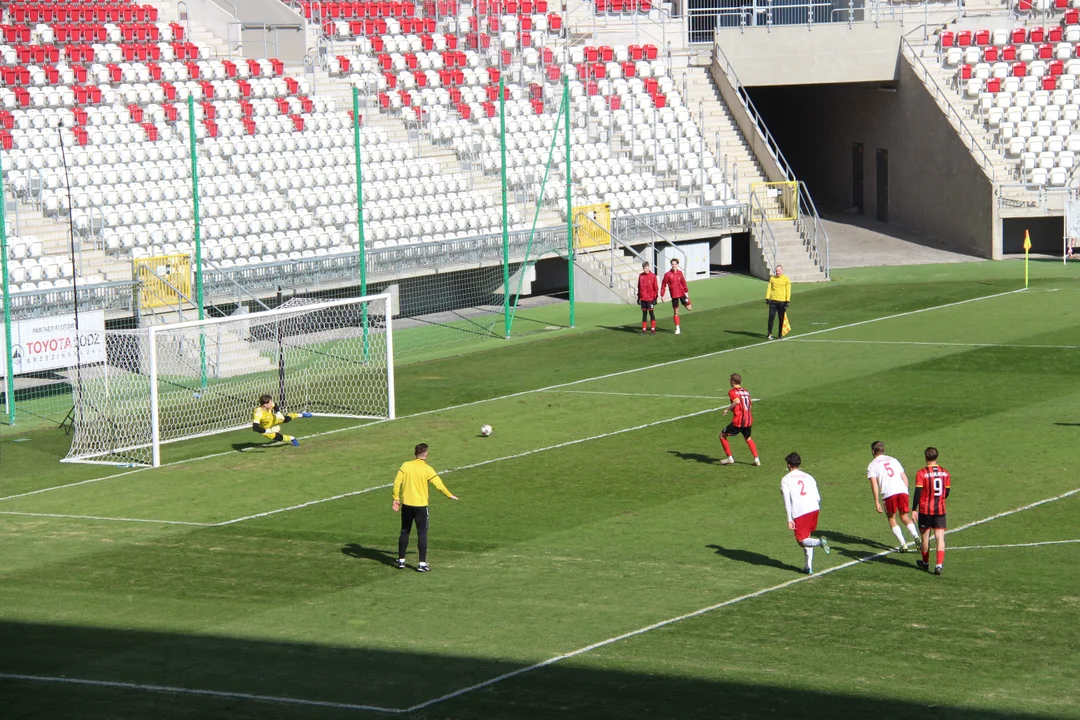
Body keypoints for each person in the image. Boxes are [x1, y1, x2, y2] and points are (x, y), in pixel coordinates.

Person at [392, 443, 458, 572]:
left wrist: (396, 498)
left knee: (405, 531)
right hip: (420, 506)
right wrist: (449, 495)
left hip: (406, 505)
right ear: (426, 454)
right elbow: (438, 485)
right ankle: (422, 564)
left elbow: (396, 483)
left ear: (415, 453)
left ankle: (401, 560)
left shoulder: (405, 465)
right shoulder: (428, 469)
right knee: (422, 533)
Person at [780, 452, 830, 574]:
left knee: (801, 540)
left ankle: (820, 542)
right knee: (807, 536)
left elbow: (787, 500)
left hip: (800, 510)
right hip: (814, 508)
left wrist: (789, 518)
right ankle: (808, 567)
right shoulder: (809, 477)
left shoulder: (786, 479)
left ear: (789, 465)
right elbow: (818, 496)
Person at [866, 441, 921, 552]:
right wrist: (905, 492)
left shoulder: (872, 465)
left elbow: (874, 484)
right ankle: (916, 536)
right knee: (905, 516)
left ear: (873, 451)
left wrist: (876, 501)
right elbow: (904, 477)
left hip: (888, 493)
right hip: (902, 490)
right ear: (883, 450)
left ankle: (903, 544)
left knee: (891, 518)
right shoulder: (893, 460)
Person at [914, 447, 951, 575]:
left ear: (925, 457)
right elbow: (947, 492)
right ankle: (939, 565)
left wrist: (914, 509)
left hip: (925, 509)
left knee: (925, 537)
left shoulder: (921, 473)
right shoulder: (945, 472)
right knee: (940, 538)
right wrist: (939, 500)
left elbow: (918, 493)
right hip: (940, 509)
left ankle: (925, 562)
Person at [719, 373, 759, 466]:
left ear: (733, 381)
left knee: (722, 435)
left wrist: (727, 409)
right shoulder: (746, 391)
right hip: (748, 419)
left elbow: (736, 401)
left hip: (739, 420)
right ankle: (757, 459)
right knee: (748, 438)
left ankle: (730, 458)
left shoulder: (732, 392)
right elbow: (750, 404)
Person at [659, 257, 691, 335]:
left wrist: (686, 292)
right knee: (676, 312)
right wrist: (662, 295)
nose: (674, 266)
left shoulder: (680, 273)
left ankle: (688, 300)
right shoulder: (667, 275)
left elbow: (683, 282)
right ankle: (677, 328)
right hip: (674, 296)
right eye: (672, 264)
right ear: (671, 265)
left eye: (675, 264)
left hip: (682, 294)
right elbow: (663, 284)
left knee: (689, 308)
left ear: (677, 265)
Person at [765, 264, 791, 340]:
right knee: (771, 317)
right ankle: (769, 334)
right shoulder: (772, 278)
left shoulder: (786, 279)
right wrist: (767, 298)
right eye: (776, 271)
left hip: (782, 302)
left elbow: (788, 290)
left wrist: (787, 300)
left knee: (781, 318)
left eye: (779, 271)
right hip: (773, 301)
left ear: (782, 271)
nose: (777, 272)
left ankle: (780, 334)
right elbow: (769, 288)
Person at [637, 261, 659, 335]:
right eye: (644, 268)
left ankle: (653, 329)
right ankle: (644, 330)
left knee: (651, 313)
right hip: (643, 298)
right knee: (644, 313)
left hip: (650, 298)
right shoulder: (641, 276)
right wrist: (638, 297)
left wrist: (655, 298)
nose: (645, 269)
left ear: (649, 267)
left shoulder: (653, 276)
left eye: (646, 268)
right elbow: (639, 287)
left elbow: (656, 287)